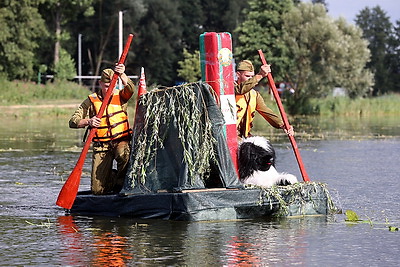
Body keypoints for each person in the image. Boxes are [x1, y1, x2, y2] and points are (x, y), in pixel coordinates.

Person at [69, 64, 135, 195]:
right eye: (106, 86)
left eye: (112, 85)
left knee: (124, 155)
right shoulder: (91, 100)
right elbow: (73, 121)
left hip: (120, 141)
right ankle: (112, 177)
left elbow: (131, 89)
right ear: (100, 83)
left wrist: (122, 75)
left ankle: (120, 183)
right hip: (101, 145)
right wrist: (89, 121)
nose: (109, 89)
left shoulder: (121, 96)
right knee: (97, 190)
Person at [235, 60, 294, 139]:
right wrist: (260, 75)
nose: (250, 79)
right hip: (229, 136)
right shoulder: (230, 89)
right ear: (238, 75)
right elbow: (240, 90)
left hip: (244, 136)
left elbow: (266, 112)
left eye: (252, 77)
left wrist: (283, 125)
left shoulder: (254, 95)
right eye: (247, 76)